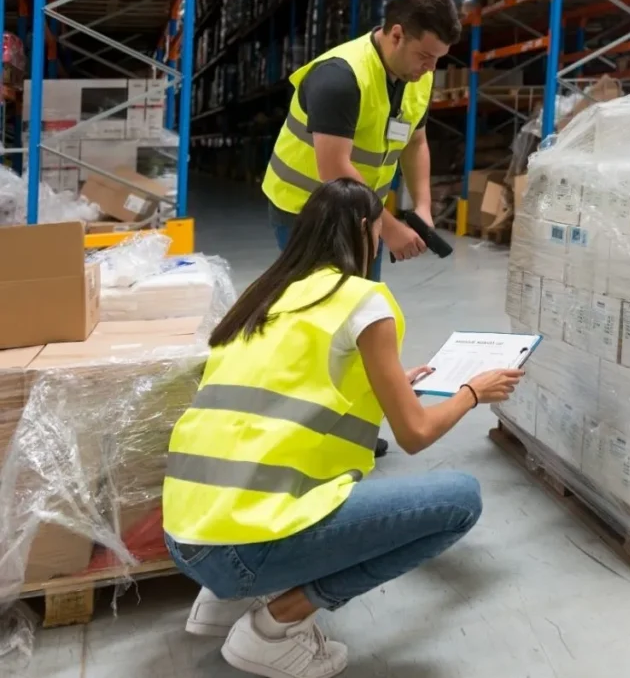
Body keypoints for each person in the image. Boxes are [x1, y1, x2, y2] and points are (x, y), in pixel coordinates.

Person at [162, 179, 523, 678]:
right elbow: (415, 436)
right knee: (459, 501)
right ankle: (274, 627)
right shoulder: (362, 300)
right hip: (240, 547)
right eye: (376, 231)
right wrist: (473, 393)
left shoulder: (265, 296)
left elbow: (286, 393)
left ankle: (223, 601)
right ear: (362, 231)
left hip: (185, 537)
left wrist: (395, 380)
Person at [262, 0, 461, 460]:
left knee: (363, 317)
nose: (429, 69)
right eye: (424, 56)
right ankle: (309, 429)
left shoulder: (416, 78)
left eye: (438, 60)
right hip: (303, 210)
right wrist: (389, 226)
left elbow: (416, 140)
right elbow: (334, 167)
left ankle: (353, 423)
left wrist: (424, 208)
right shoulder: (339, 76)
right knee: (319, 317)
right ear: (396, 34)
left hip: (361, 211)